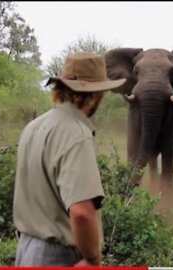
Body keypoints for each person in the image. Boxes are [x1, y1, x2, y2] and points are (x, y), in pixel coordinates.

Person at [12, 52, 126, 266]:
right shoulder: (76, 133)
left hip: (26, 249)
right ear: (94, 95)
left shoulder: (33, 127)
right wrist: (92, 260)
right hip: (59, 256)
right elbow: (81, 212)